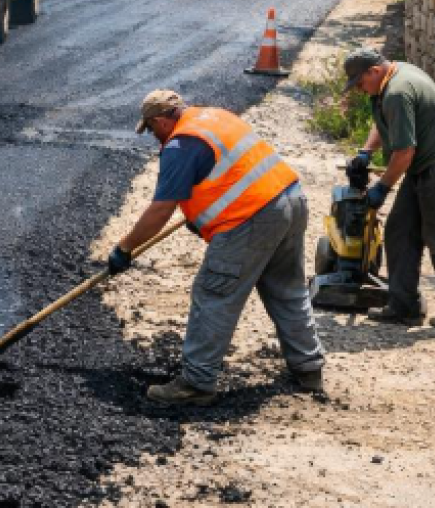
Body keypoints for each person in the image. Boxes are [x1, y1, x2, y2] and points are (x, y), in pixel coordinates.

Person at [108, 90, 325, 406]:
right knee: (287, 289)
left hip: (252, 217)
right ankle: (309, 370)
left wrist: (124, 249)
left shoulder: (180, 145)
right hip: (291, 199)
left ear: (159, 121)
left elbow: (160, 210)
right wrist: (201, 216)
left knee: (214, 294)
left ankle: (196, 383)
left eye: (152, 129)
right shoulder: (214, 117)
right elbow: (228, 172)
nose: (154, 137)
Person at [343, 48, 435, 331]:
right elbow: (386, 121)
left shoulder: (397, 91)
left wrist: (382, 188)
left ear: (374, 71)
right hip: (425, 165)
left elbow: (405, 152)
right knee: (400, 230)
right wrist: (366, 151)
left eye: (360, 82)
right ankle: (403, 306)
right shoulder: (393, 77)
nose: (359, 88)